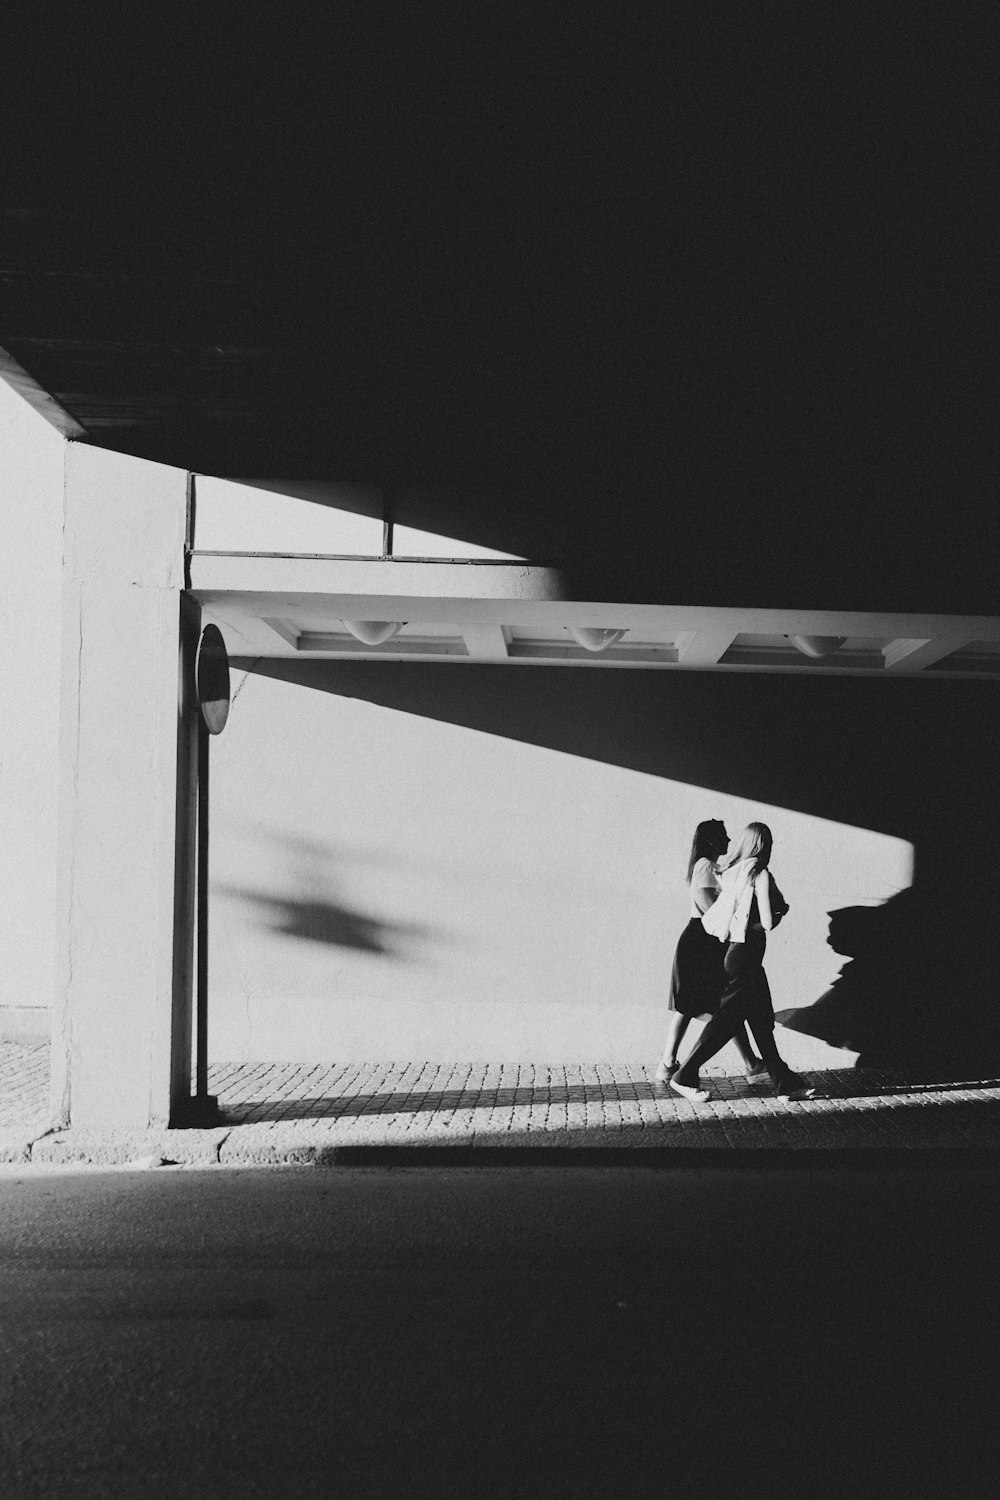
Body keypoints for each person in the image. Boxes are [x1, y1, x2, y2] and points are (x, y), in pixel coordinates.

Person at [669, 822, 814, 1103]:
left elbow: (727, 912)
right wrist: (780, 911)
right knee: (726, 1021)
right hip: (748, 955)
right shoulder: (760, 872)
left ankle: (784, 1082)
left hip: (734, 954)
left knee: (761, 1020)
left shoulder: (731, 871)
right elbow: (768, 924)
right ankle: (684, 1075)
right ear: (765, 845)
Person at [655, 819, 769, 1084]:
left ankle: (750, 1063)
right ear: (710, 840)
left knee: (720, 1006)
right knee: (694, 1004)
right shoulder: (705, 866)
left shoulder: (711, 867)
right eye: (724, 837)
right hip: (701, 941)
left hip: (707, 940)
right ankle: (668, 1063)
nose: (729, 842)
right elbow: (711, 909)